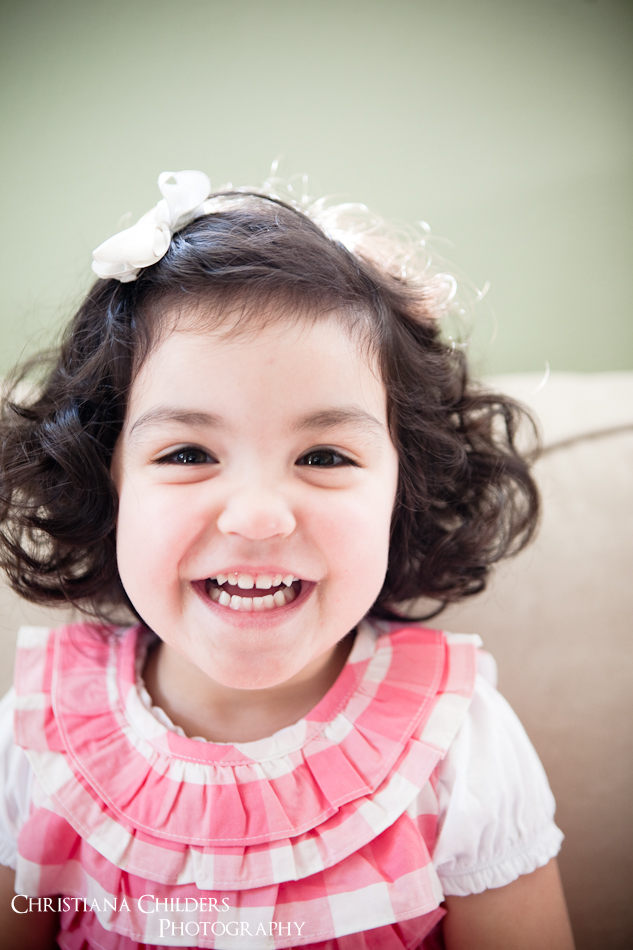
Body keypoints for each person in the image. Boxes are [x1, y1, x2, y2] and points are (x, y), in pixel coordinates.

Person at [0, 170, 575, 949]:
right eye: (188, 453)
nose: (257, 517)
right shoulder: (39, 736)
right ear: (107, 480)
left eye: (325, 456)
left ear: (404, 487)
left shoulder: (458, 741)